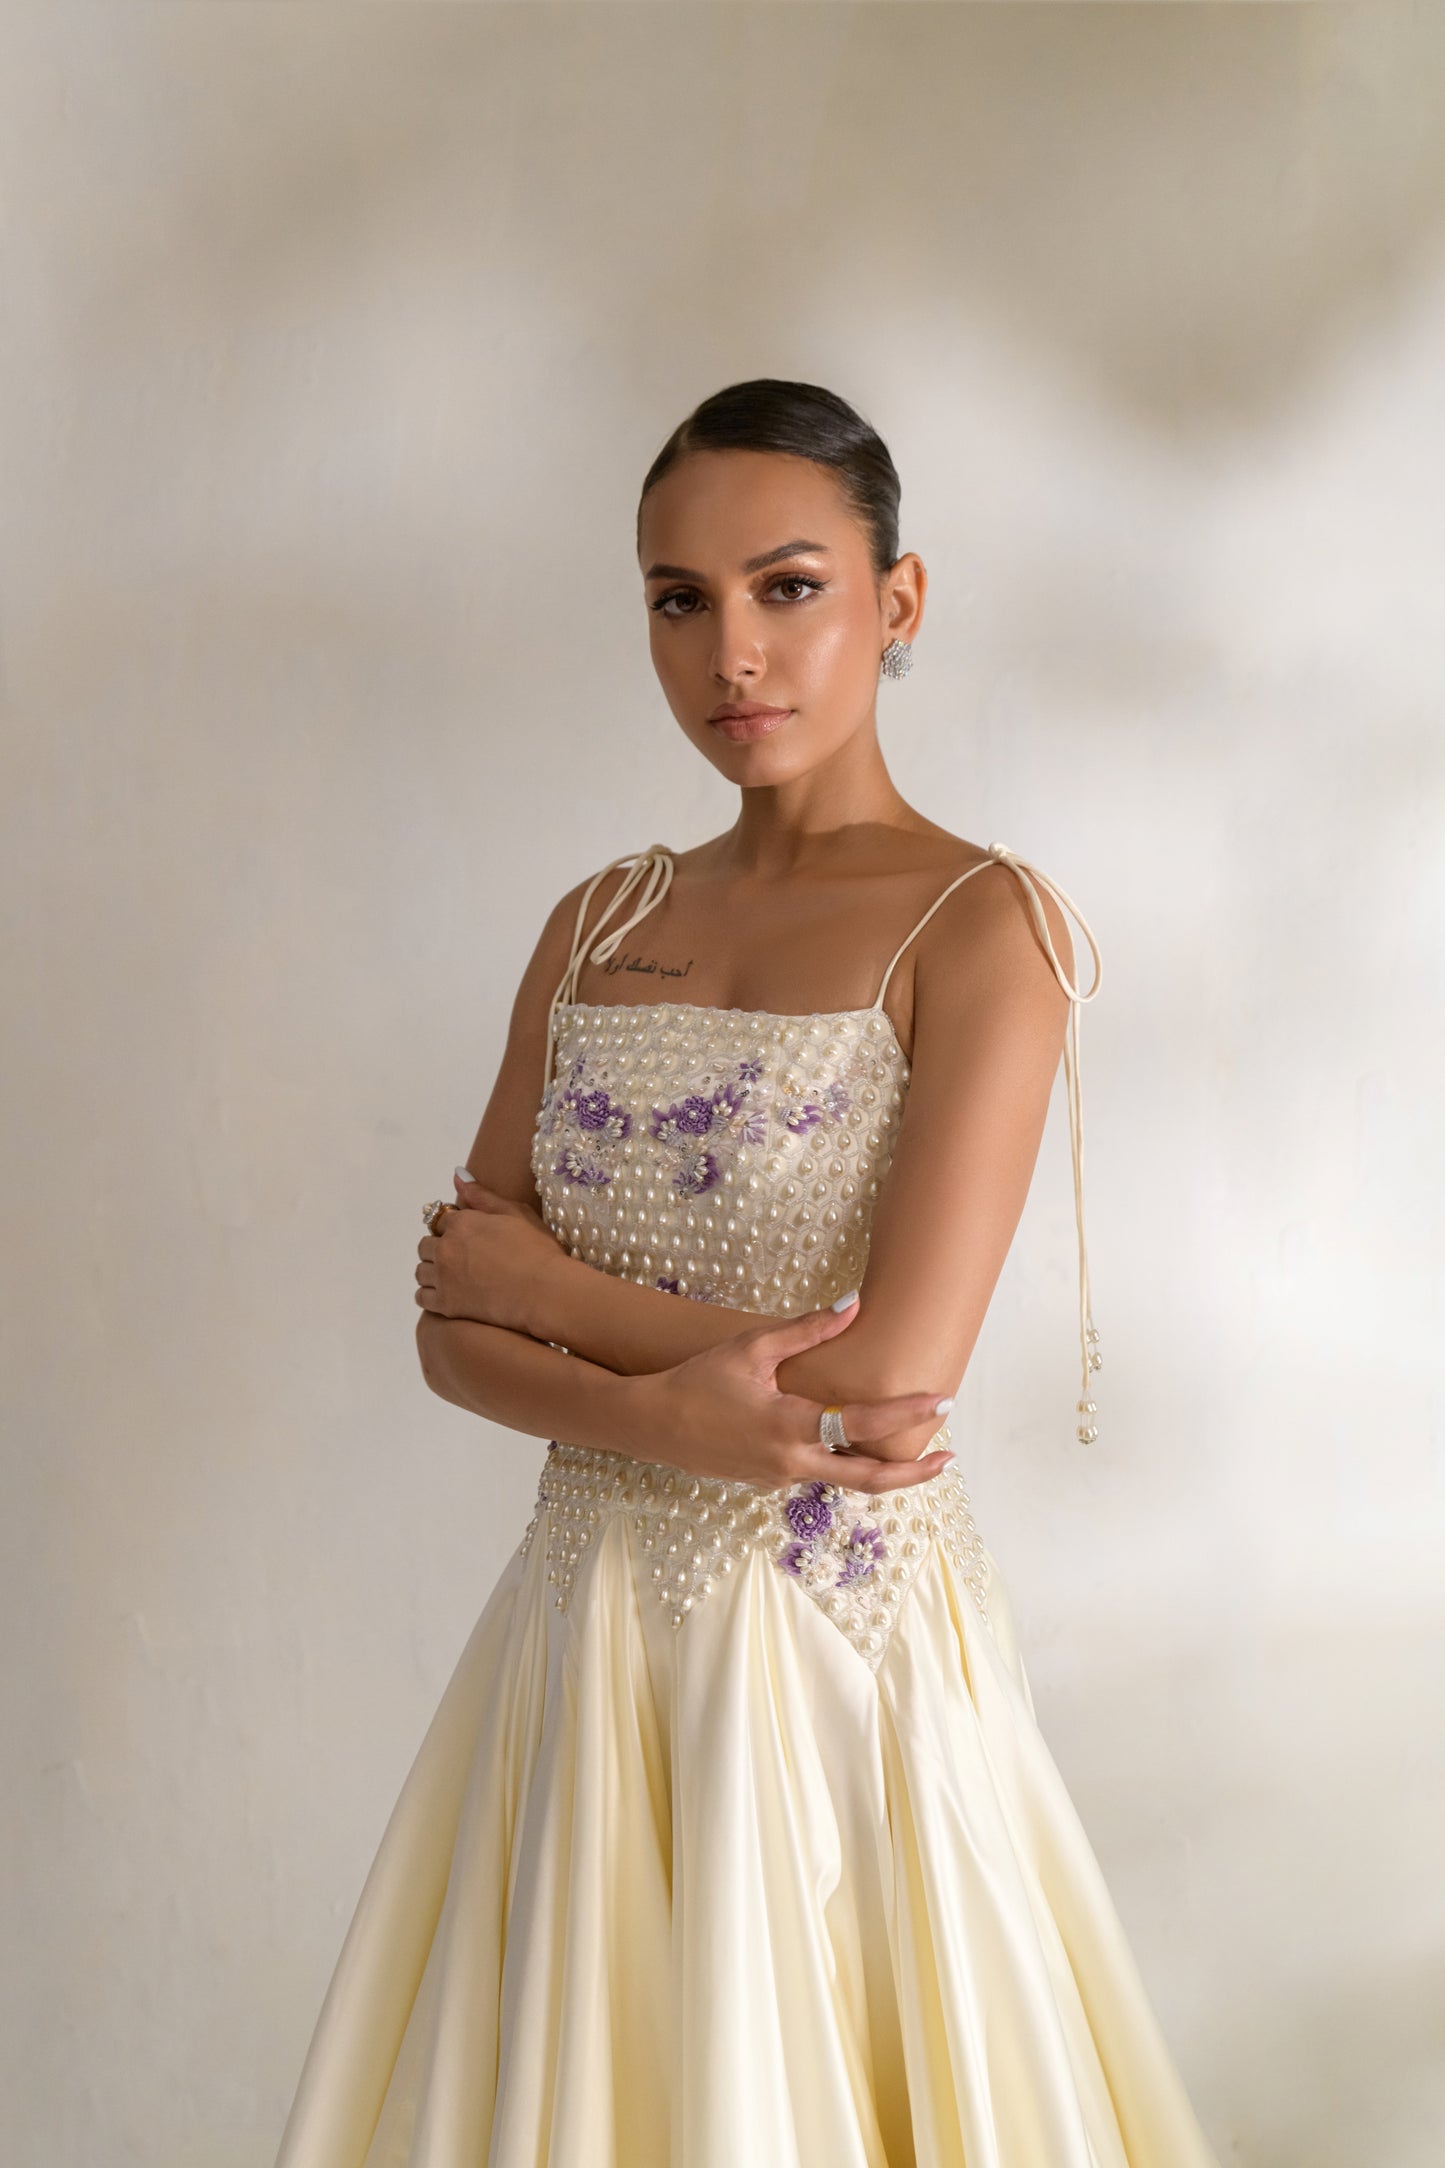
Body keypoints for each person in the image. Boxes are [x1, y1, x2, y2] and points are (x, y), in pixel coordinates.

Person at [274, 378, 1218, 2166]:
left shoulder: (982, 925)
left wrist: (557, 1305)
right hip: (586, 1643)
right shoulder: (600, 919)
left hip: (830, 1652)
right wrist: (647, 1395)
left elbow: (888, 1382)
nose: (733, 654)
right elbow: (446, 1330)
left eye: (789, 588)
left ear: (899, 598)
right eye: (677, 599)